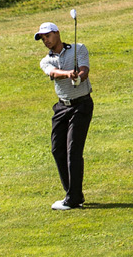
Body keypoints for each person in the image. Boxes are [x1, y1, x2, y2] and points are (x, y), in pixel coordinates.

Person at [34, 22, 93, 210]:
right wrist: (69, 74)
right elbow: (53, 73)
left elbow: (84, 70)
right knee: (57, 149)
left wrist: (79, 76)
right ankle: (74, 194)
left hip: (81, 105)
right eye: (43, 39)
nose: (46, 41)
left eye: (48, 36)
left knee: (73, 151)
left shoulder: (78, 48)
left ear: (57, 33)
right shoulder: (46, 60)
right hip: (62, 107)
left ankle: (73, 198)